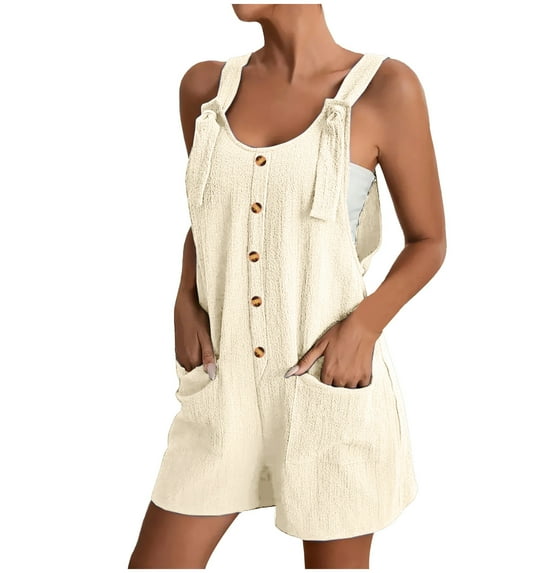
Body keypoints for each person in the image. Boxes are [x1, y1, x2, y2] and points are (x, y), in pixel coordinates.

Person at [128, 3, 446, 569]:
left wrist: (364, 328)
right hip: (221, 385)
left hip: (327, 382)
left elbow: (429, 241)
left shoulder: (385, 88)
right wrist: (183, 296)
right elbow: (209, 213)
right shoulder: (205, 88)